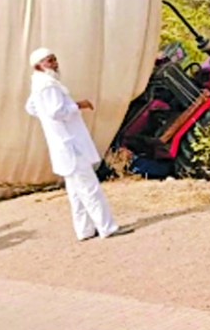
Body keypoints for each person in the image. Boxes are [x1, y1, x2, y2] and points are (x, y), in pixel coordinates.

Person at [25, 48, 133, 241]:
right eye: (49, 61)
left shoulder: (39, 84)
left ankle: (85, 230)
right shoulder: (47, 85)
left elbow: (32, 108)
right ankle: (107, 227)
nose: (55, 63)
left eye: (54, 59)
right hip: (69, 144)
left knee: (76, 191)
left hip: (62, 143)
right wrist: (77, 106)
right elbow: (55, 112)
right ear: (39, 66)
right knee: (89, 187)